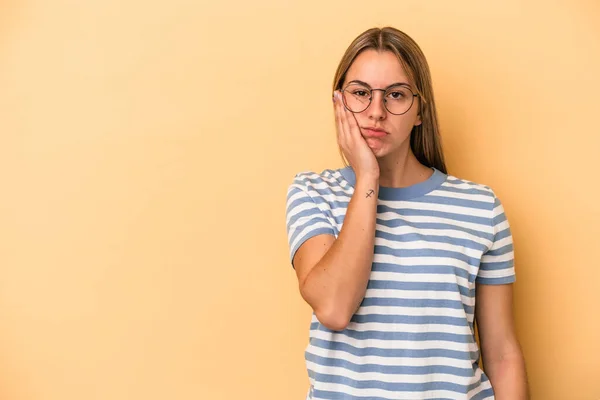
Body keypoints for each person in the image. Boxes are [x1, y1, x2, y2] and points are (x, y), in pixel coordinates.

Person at [284, 27, 528, 400]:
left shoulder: (481, 208)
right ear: (339, 102)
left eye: (395, 95)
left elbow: (502, 353)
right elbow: (334, 306)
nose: (376, 112)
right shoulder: (313, 193)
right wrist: (368, 174)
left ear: (419, 111)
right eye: (361, 93)